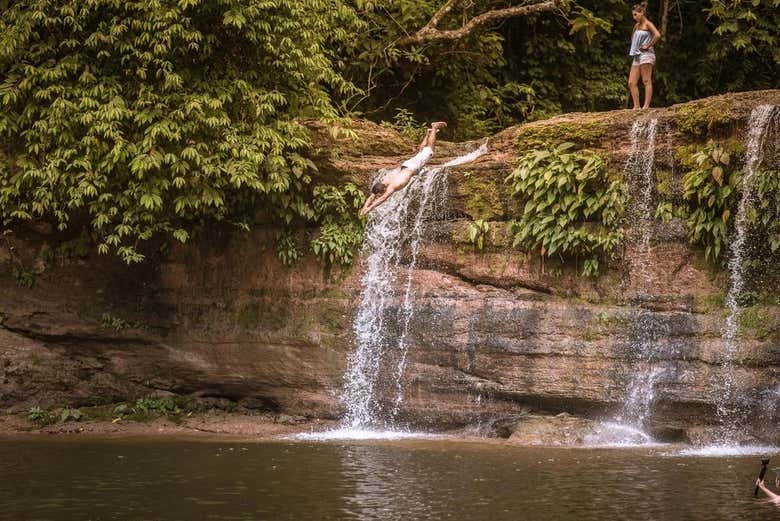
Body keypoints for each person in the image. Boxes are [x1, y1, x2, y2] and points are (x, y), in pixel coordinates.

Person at [359, 121, 447, 216]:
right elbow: (372, 196)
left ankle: (434, 127)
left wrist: (369, 209)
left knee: (430, 149)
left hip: (412, 167)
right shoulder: (383, 182)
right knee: (420, 152)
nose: (378, 196)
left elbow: (382, 198)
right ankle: (428, 133)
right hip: (406, 165)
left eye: (381, 193)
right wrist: (364, 207)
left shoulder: (391, 186)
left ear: (384, 189)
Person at [627, 2, 661, 110]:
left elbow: (657, 35)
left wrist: (648, 45)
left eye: (636, 14)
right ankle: (636, 106)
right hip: (637, 55)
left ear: (641, 13)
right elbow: (633, 38)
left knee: (646, 80)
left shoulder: (648, 24)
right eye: (633, 15)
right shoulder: (636, 25)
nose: (634, 17)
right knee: (631, 82)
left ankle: (646, 106)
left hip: (647, 54)